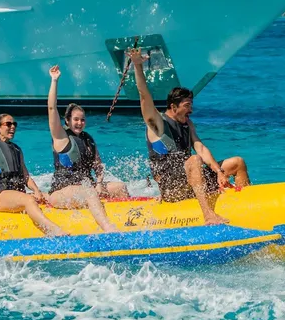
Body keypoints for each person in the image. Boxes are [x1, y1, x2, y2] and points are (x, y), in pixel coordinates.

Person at [128, 49, 251, 225]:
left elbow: (200, 147)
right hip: (172, 188)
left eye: (191, 105)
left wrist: (218, 172)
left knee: (237, 162)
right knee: (194, 160)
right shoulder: (157, 123)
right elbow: (144, 96)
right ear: (173, 106)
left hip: (192, 178)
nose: (191, 110)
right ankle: (208, 216)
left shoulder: (188, 124)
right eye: (187, 105)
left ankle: (247, 206)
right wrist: (138, 66)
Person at [0, 66, 65, 236]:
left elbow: (25, 176)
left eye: (14, 125)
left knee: (49, 197)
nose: (12, 127)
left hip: (17, 194)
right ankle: (55, 232)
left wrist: (37, 191)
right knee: (27, 200)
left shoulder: (16, 149)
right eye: (8, 124)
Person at [45, 66, 121, 232]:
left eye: (82, 120)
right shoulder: (61, 137)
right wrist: (54, 80)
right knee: (89, 192)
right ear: (67, 121)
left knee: (119, 187)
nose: (79, 123)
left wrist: (100, 184)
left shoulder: (88, 140)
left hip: (87, 187)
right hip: (61, 192)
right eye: (76, 119)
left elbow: (98, 167)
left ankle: (132, 218)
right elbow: (51, 109)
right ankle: (108, 228)